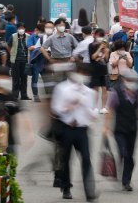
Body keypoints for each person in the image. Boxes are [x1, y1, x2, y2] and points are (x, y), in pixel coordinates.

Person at [51, 63, 98, 201]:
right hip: (66, 128)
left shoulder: (89, 92)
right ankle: (66, 187)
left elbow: (93, 113)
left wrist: (86, 107)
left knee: (86, 159)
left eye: (85, 74)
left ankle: (90, 191)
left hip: (82, 129)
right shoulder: (62, 88)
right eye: (81, 73)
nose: (83, 77)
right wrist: (70, 106)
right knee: (66, 160)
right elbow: (56, 109)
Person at [103, 69, 138, 192]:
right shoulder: (116, 93)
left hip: (133, 129)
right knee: (123, 153)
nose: (132, 83)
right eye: (130, 80)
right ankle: (122, 173)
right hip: (119, 129)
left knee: (130, 156)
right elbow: (110, 110)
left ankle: (126, 181)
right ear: (124, 80)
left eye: (135, 81)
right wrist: (106, 127)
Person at [89, 29, 110, 112]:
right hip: (94, 69)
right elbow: (93, 57)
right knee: (96, 89)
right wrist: (99, 48)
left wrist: (106, 51)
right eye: (99, 35)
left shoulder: (105, 45)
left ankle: (103, 107)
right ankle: (94, 107)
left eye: (102, 36)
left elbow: (106, 59)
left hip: (103, 69)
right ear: (94, 35)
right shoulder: (91, 45)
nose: (100, 37)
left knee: (104, 88)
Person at [9, 22, 30, 100]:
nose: (21, 29)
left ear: (25, 29)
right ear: (17, 29)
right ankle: (14, 96)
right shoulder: (13, 36)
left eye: (23, 28)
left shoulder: (28, 36)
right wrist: (12, 53)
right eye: (19, 28)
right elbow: (8, 46)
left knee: (24, 78)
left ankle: (24, 95)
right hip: (15, 60)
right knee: (15, 79)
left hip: (25, 60)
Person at [27, 23, 45, 102]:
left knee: (46, 79)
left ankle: (48, 95)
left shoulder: (46, 37)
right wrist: (38, 46)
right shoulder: (32, 37)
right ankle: (36, 95)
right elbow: (30, 48)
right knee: (35, 80)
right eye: (36, 30)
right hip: (35, 61)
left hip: (44, 61)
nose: (36, 31)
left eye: (39, 30)